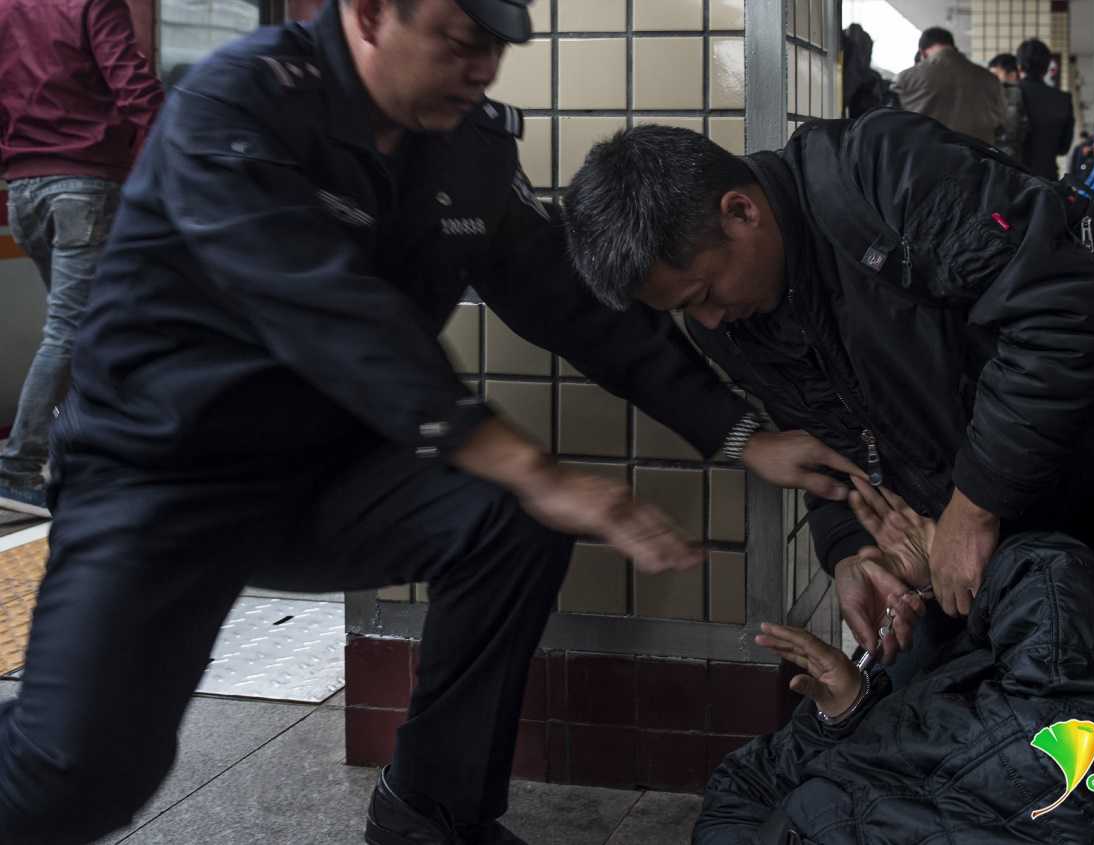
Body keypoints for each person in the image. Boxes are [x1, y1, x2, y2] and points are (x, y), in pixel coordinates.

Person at [0, 2, 856, 844]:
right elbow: (329, 311)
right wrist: (532, 467)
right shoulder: (239, 99)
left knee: (508, 520)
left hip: (325, 480)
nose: (481, 69)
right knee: (75, 775)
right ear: (373, 14)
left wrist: (739, 435)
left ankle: (431, 812)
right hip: (163, 475)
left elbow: (566, 302)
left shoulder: (466, 146)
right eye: (457, 41)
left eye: (494, 46)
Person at [562, 116, 1094, 844]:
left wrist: (975, 504)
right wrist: (852, 553)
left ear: (740, 211)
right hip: (963, 533)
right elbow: (834, 440)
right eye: (687, 311)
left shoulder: (887, 172)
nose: (707, 321)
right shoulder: (735, 318)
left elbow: (1065, 314)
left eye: (702, 294)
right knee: (897, 735)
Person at [695, 485, 1094, 844]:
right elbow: (1051, 578)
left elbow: (738, 792)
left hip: (895, 723)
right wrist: (949, 558)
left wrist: (841, 716)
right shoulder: (1062, 789)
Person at [0, 0, 164, 517]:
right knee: (72, 331)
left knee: (90, 328)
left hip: (23, 192)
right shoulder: (93, 3)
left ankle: (96, 453)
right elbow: (132, 85)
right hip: (82, 187)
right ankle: (17, 469)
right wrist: (181, 144)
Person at [891, 27, 1005, 145]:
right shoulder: (989, 78)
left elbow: (892, 124)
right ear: (953, 47)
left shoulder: (905, 78)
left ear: (923, 53)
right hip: (978, 153)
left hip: (925, 152)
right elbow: (1001, 120)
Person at [1016, 38, 1074, 179]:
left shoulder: (1006, 93)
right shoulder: (1063, 99)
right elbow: (1063, 148)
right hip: (1047, 179)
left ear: (1019, 65)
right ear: (1047, 66)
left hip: (1012, 179)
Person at [987, 52, 1029, 161]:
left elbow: (1010, 132)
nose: (992, 80)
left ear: (1012, 75)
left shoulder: (1013, 94)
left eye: (995, 76)